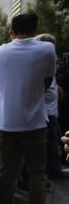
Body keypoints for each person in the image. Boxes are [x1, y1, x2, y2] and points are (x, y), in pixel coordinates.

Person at [0, 13, 57, 204]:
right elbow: (47, 81)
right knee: (37, 173)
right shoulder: (47, 49)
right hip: (35, 123)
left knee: (7, 171)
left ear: (11, 32)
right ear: (35, 31)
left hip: (5, 124)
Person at [35, 33, 63, 177]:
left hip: (51, 111)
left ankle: (54, 168)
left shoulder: (47, 63)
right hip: (47, 113)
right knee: (51, 143)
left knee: (54, 141)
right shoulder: (42, 63)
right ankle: (53, 170)